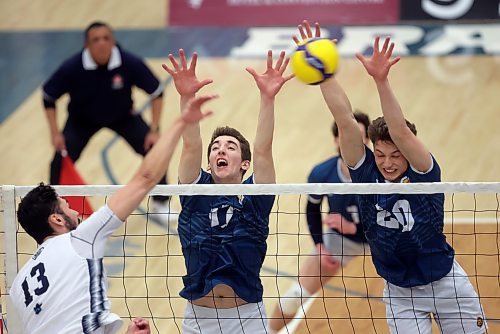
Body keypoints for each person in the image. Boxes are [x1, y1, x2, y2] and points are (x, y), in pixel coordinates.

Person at [298, 20, 486, 333]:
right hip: (400, 294)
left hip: (446, 285)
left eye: (395, 155)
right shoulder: (365, 171)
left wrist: (381, 81)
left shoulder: (424, 172)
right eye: (381, 154)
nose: (387, 163)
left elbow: (399, 131)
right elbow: (345, 121)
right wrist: (324, 75)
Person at [9, 95, 215, 333]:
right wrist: (181, 121)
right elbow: (145, 179)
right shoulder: (81, 239)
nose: (77, 211)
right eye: (68, 206)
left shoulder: (18, 287)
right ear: (56, 220)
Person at [161, 48, 293, 333]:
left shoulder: (256, 197)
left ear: (244, 163)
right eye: (216, 148)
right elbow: (191, 145)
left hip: (246, 319)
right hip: (198, 319)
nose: (220, 149)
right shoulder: (195, 191)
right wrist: (186, 97)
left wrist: (267, 97)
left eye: (230, 147)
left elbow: (263, 149)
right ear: (209, 161)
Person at [42, 21, 172, 222]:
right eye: (96, 40)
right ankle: (52, 207)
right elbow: (48, 97)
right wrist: (54, 132)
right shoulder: (72, 67)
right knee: (60, 159)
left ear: (113, 41)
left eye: (106, 38)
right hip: (81, 120)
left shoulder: (129, 63)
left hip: (123, 117)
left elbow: (157, 92)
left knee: (156, 149)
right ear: (87, 45)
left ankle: (161, 202)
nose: (102, 43)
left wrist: (154, 129)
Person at [269, 111, 372, 332]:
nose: (354, 140)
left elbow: (389, 219)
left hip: (381, 240)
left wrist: (354, 228)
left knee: (411, 294)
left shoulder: (380, 172)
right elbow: (312, 209)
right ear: (337, 139)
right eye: (347, 134)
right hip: (340, 241)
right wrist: (320, 246)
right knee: (294, 297)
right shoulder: (323, 173)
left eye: (360, 135)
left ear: (367, 139)